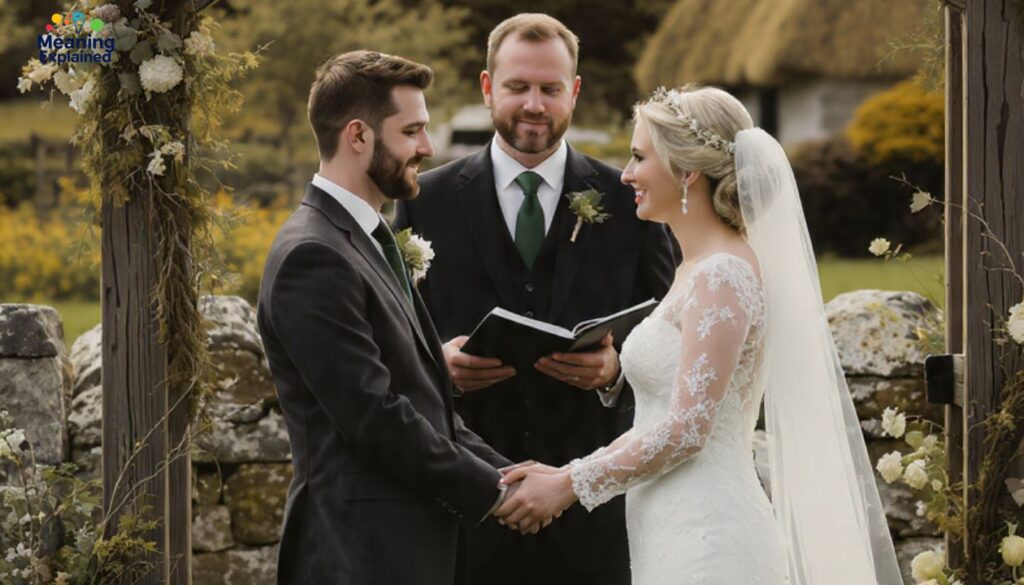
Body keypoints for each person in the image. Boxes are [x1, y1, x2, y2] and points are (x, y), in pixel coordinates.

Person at [496, 86, 905, 584]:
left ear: (686, 172)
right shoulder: (696, 268)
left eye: (639, 156)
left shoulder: (723, 275)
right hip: (672, 526)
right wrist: (564, 473)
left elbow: (688, 430)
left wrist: (569, 484)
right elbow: (659, 419)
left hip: (710, 535)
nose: (626, 174)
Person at [393, 13, 676, 585]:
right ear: (486, 86)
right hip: (467, 509)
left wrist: (617, 370)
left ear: (573, 91)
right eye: (517, 87)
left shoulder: (630, 201)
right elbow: (398, 329)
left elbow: (673, 328)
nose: (534, 105)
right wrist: (437, 367)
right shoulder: (427, 200)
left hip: (593, 518)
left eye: (550, 89)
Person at [256, 50, 520, 585]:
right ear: (358, 135)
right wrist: (497, 491)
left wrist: (509, 471)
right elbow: (375, 416)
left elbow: (425, 400)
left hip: (400, 549)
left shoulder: (366, 239)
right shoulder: (314, 256)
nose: (426, 147)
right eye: (413, 131)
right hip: (358, 553)